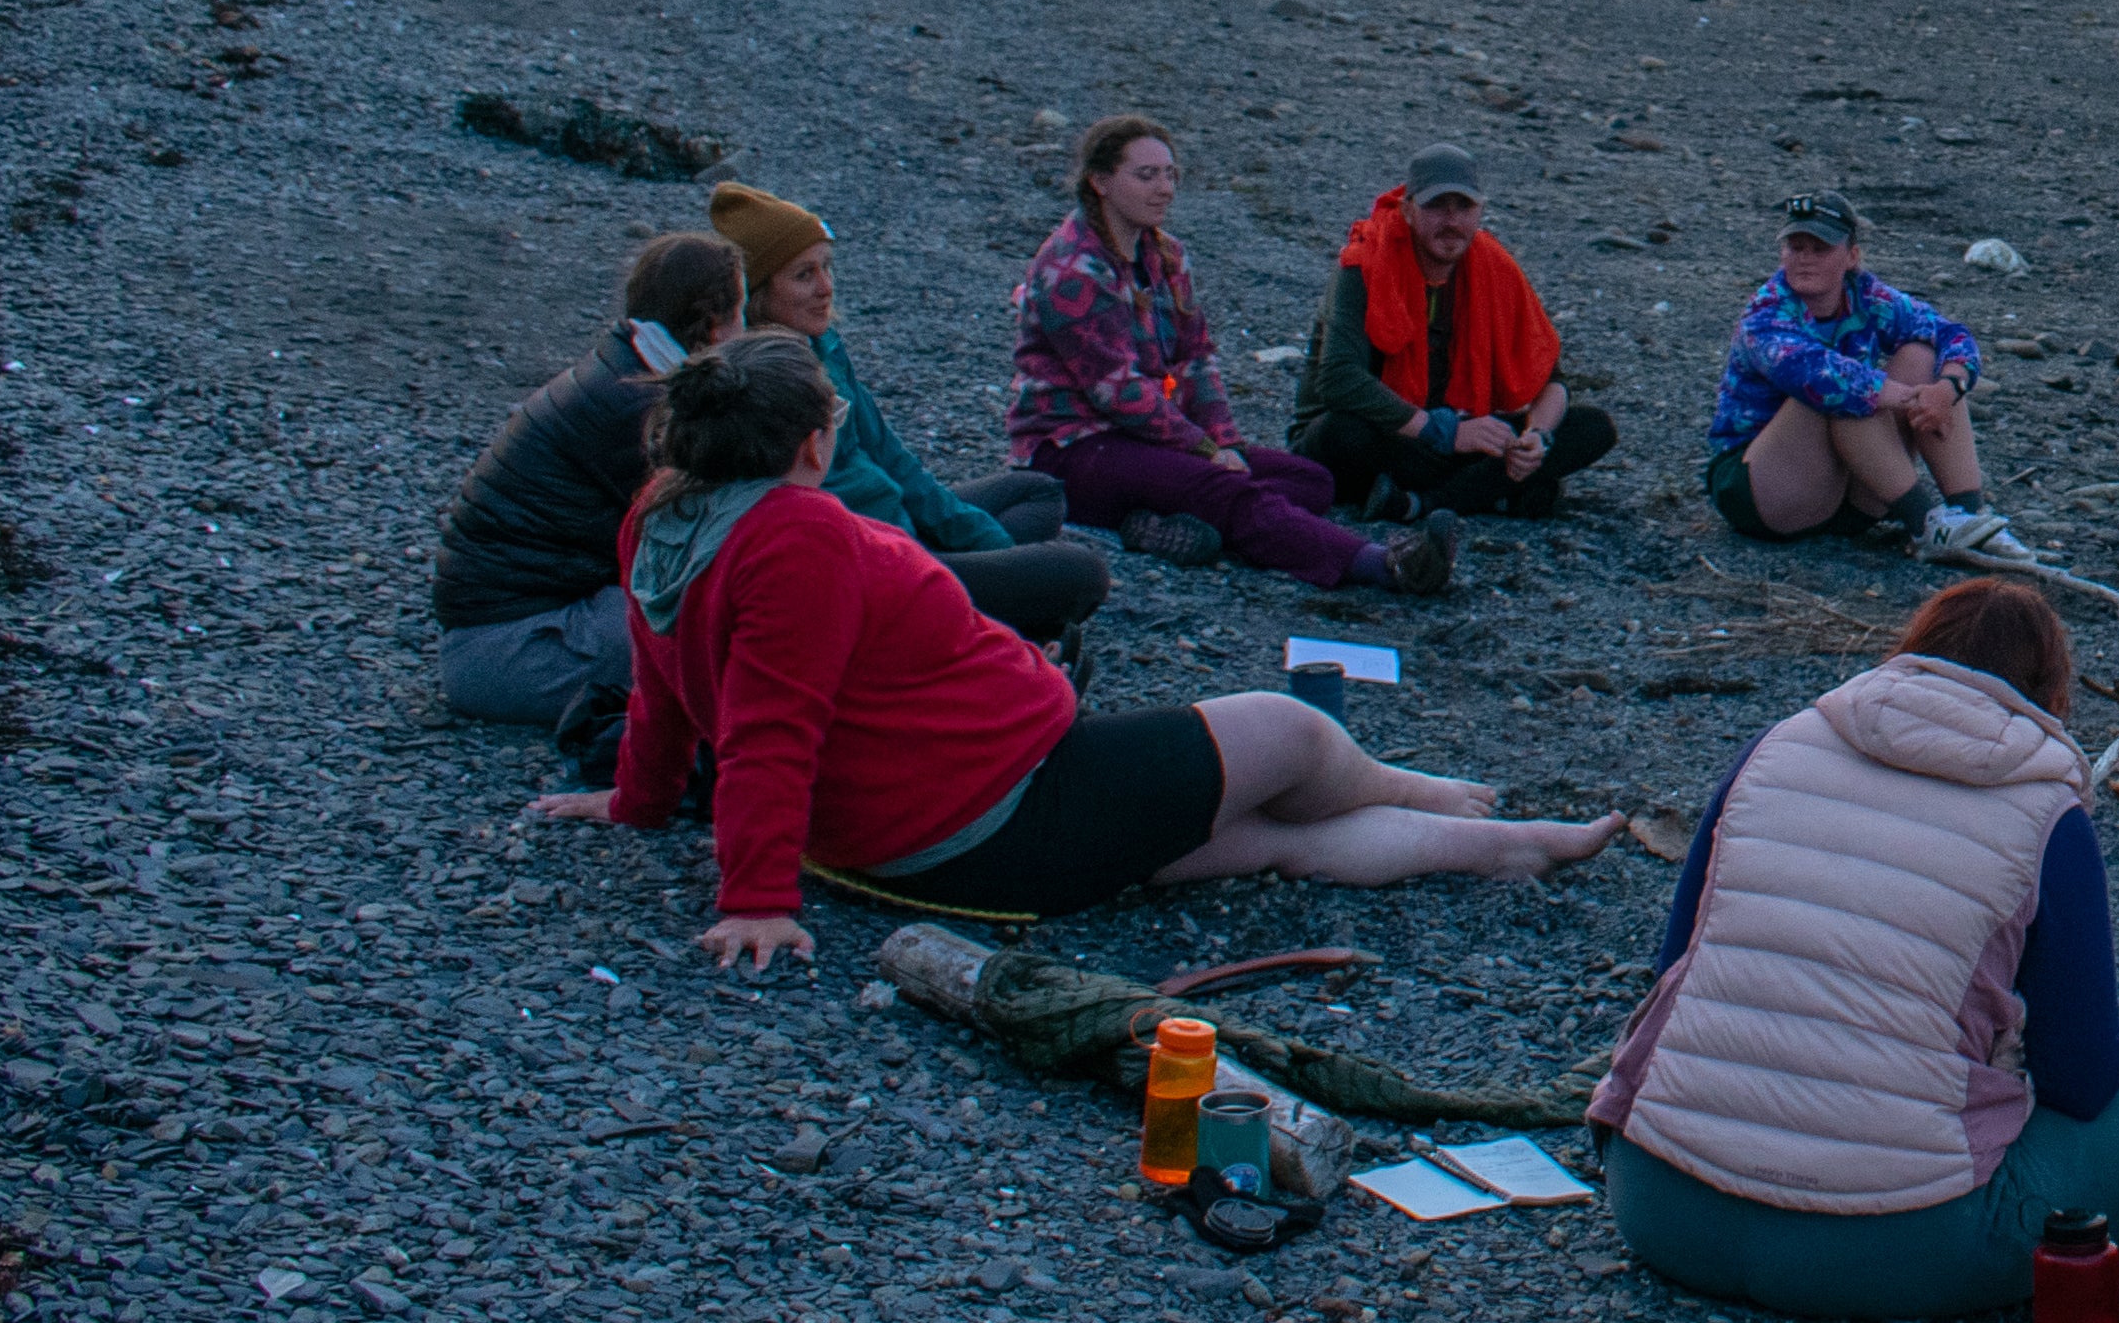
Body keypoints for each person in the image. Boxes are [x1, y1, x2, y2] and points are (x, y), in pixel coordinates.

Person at [531, 332, 1619, 968]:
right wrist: (755, 900)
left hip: (930, 824)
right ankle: (1423, 789)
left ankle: (1510, 843)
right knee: (1290, 731)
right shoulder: (794, 535)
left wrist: (636, 801)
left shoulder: (663, 517)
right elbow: (770, 723)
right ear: (810, 441)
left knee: (1277, 839)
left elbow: (668, 681)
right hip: (996, 815)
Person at [1589, 578, 2119, 1317]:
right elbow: (2080, 1079)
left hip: (1662, 1203)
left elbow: (1676, 973)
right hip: (1893, 1247)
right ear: (2051, 692)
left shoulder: (1772, 749)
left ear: (1908, 652)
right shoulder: (2046, 814)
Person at [1009, 112, 1446, 596]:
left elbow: (1196, 357)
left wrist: (1226, 442)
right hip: (1074, 449)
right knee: (1225, 490)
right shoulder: (1072, 268)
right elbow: (1118, 391)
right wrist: (1205, 451)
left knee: (1312, 482)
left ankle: (1156, 523)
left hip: (1147, 439)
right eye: (1146, 174)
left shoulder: (1166, 255)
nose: (1165, 188)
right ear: (1100, 182)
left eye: (1170, 174)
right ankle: (1382, 566)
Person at [706, 179, 1110, 660]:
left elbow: (892, 459)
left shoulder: (824, 346)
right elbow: (817, 524)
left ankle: (993, 623)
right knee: (1081, 573)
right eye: (802, 275)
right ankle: (986, 631)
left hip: (901, 524)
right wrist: (953, 561)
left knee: (1038, 493)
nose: (825, 288)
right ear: (758, 290)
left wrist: (988, 548)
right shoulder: (762, 383)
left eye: (827, 267)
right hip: (877, 564)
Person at [432, 231, 746, 731]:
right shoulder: (641, 410)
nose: (744, 330)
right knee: (708, 628)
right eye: (739, 315)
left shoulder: (622, 368)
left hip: (505, 627)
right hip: (510, 647)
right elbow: (699, 536)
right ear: (711, 325)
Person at [1293, 149, 1618, 525]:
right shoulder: (1364, 267)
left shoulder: (1495, 270)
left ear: (1479, 212)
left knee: (1591, 428)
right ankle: (1487, 494)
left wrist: (1537, 439)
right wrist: (1444, 432)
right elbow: (1338, 380)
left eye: (1463, 207)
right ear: (1408, 209)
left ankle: (1419, 504)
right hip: (1384, 437)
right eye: (1436, 207)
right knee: (1342, 432)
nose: (1451, 221)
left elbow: (1551, 381)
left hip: (1452, 436)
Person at [1697, 193, 2016, 562]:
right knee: (1841, 391)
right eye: (1795, 247)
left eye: (1820, 248)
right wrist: (1916, 399)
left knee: (1922, 357)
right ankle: (1926, 525)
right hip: (1764, 490)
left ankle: (1971, 519)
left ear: (1851, 256)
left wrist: (1948, 388)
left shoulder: (1867, 296)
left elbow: (1950, 333)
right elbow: (1819, 377)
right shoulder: (1766, 314)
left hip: (1847, 497)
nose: (1804, 258)